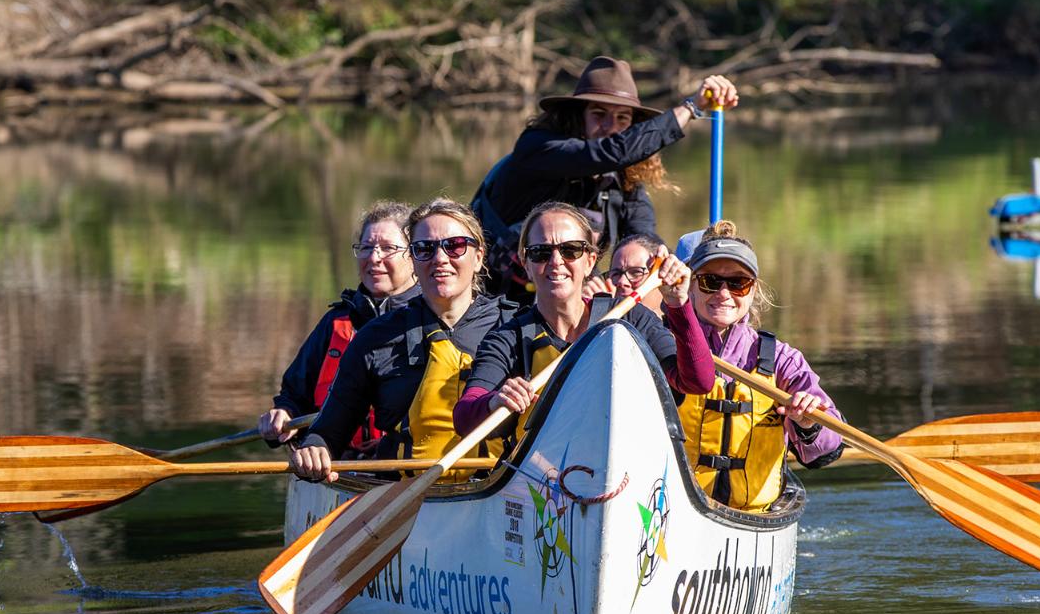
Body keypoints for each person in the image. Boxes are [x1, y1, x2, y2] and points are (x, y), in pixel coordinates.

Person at [288, 199, 517, 484]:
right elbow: (328, 432)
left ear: (479, 256)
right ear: (412, 259)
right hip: (402, 497)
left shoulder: (515, 327)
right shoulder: (375, 337)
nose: (440, 258)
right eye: (425, 249)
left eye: (455, 245)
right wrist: (314, 450)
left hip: (501, 497)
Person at [471, 56, 739, 298]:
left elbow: (643, 235)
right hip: (494, 298)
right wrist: (691, 108)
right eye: (599, 114)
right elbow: (610, 152)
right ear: (577, 118)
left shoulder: (622, 181)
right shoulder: (538, 149)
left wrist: (659, 263)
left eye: (623, 119)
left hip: (569, 300)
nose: (612, 127)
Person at [452, 202, 715, 439]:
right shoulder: (508, 337)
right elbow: (464, 418)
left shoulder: (631, 317)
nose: (556, 262)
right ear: (526, 263)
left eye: (570, 250)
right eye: (541, 252)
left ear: (590, 261)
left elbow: (697, 382)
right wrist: (495, 402)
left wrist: (678, 304)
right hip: (538, 483)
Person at [680, 221, 845, 513]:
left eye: (738, 283)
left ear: (753, 289)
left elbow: (828, 449)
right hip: (674, 509)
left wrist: (808, 423)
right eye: (710, 281)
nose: (723, 293)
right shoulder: (665, 348)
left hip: (754, 513)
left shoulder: (782, 360)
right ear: (691, 285)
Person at [258, 201, 420, 452]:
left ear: (413, 256)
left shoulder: (429, 319)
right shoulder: (337, 322)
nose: (374, 258)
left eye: (388, 248)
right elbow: (295, 395)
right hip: (336, 458)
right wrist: (283, 413)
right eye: (366, 248)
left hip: (406, 461)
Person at [582, 232, 666, 314]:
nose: (622, 281)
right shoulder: (599, 309)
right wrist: (589, 312)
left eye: (636, 272)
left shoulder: (677, 322)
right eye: (616, 274)